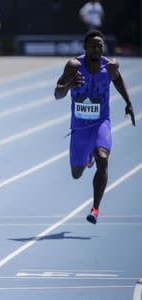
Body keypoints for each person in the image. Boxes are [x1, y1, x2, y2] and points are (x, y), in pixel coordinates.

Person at [54, 30, 135, 224]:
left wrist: (128, 103)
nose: (97, 48)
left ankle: (95, 208)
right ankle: (86, 157)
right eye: (93, 45)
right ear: (85, 48)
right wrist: (69, 85)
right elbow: (57, 94)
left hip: (101, 123)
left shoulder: (111, 65)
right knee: (76, 173)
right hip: (80, 127)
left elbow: (118, 80)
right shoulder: (74, 66)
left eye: (100, 45)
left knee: (103, 159)